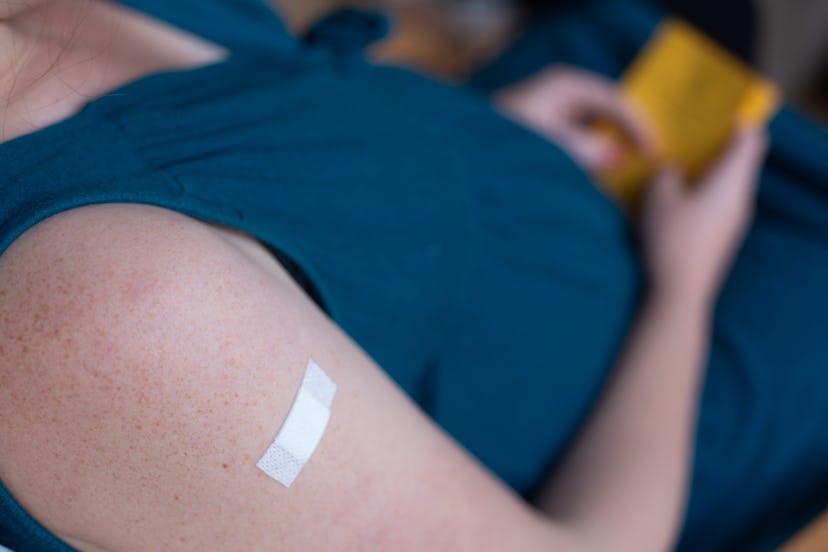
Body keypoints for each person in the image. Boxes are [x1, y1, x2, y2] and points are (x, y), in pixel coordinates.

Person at [0, 1, 825, 551]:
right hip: (640, 414)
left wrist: (448, 142)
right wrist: (685, 282)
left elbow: (269, 136)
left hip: (513, 188)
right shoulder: (108, 317)